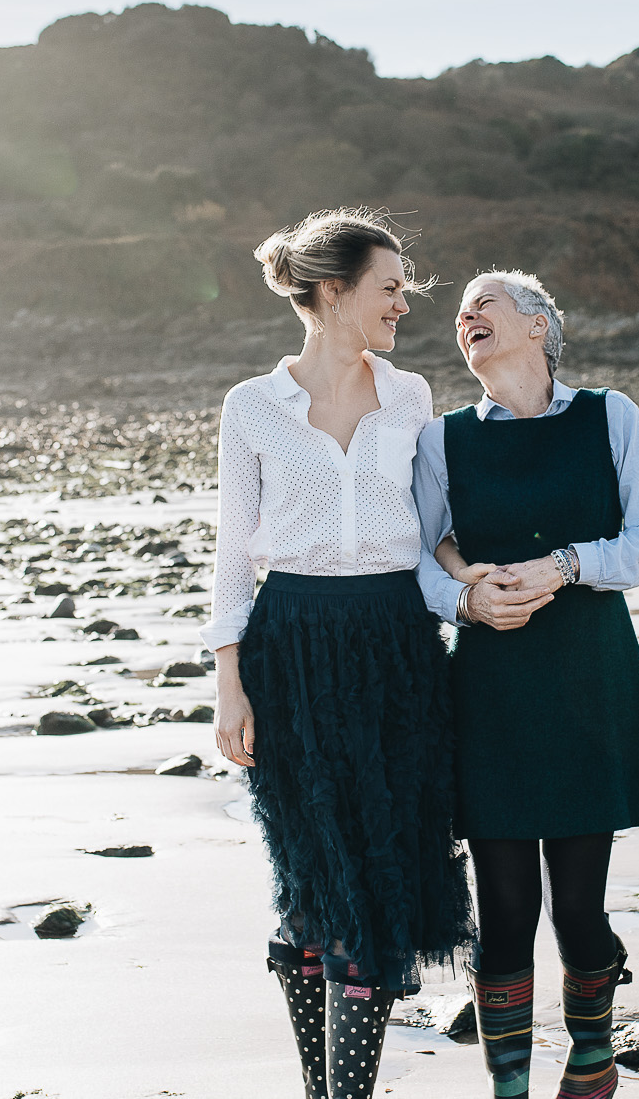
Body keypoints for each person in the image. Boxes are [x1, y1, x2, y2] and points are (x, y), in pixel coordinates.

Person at [203, 209, 471, 1099]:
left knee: (380, 874)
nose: (403, 300)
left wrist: (481, 586)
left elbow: (433, 532)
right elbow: (234, 554)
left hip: (397, 649)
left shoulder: (412, 396)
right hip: (293, 651)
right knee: (316, 880)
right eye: (389, 286)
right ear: (333, 290)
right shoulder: (252, 406)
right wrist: (228, 683)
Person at [412, 270, 639, 1099]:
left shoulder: (611, 414)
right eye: (460, 316)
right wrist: (465, 598)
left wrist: (569, 565)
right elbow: (414, 558)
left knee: (577, 909)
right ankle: (508, 1091)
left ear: (538, 327)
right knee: (503, 909)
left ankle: (593, 1063)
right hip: (491, 684)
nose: (465, 319)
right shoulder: (441, 439)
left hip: (588, 678)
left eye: (482, 305)